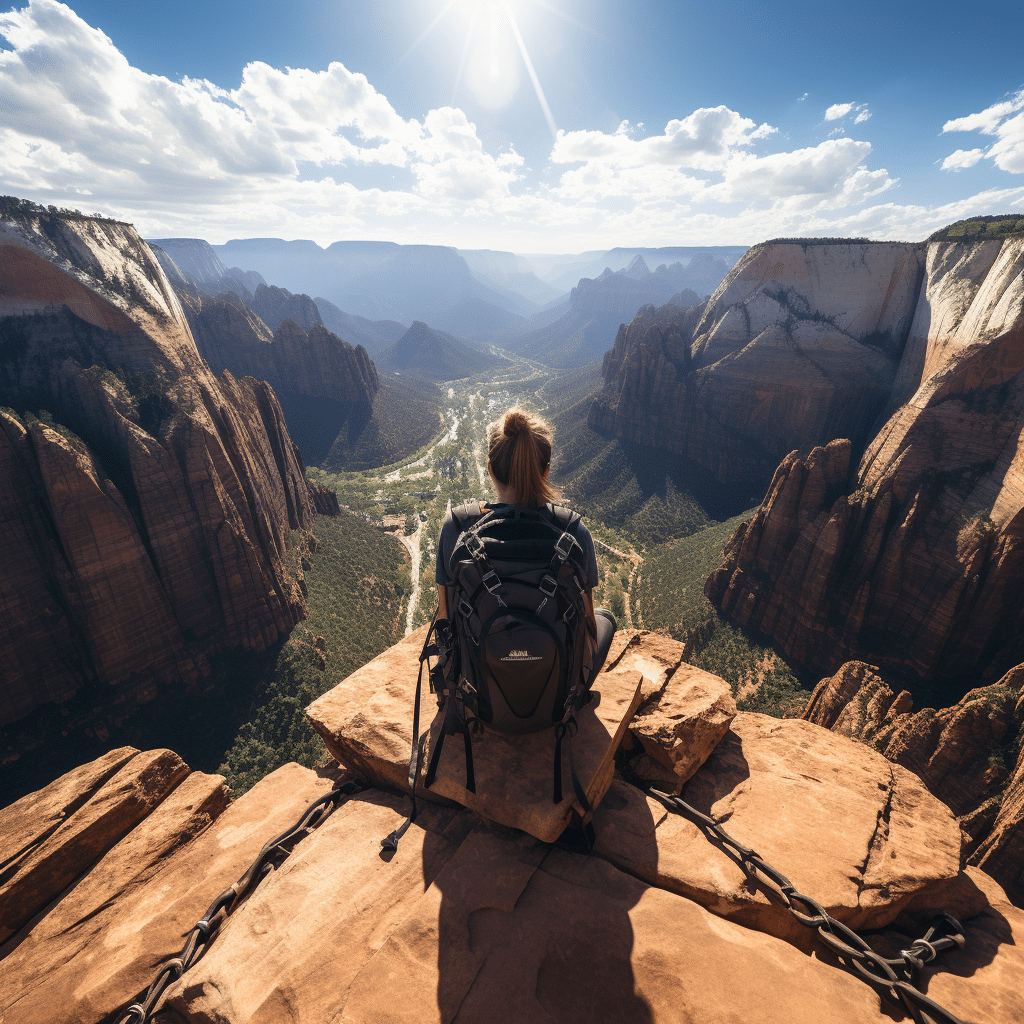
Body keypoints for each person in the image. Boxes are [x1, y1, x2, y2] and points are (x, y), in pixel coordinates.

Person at [435, 406, 617, 684]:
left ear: (490, 468)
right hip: (556, 704)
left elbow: (445, 618)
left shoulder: (456, 527)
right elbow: (588, 629)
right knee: (606, 618)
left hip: (478, 700)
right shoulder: (573, 532)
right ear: (545, 471)